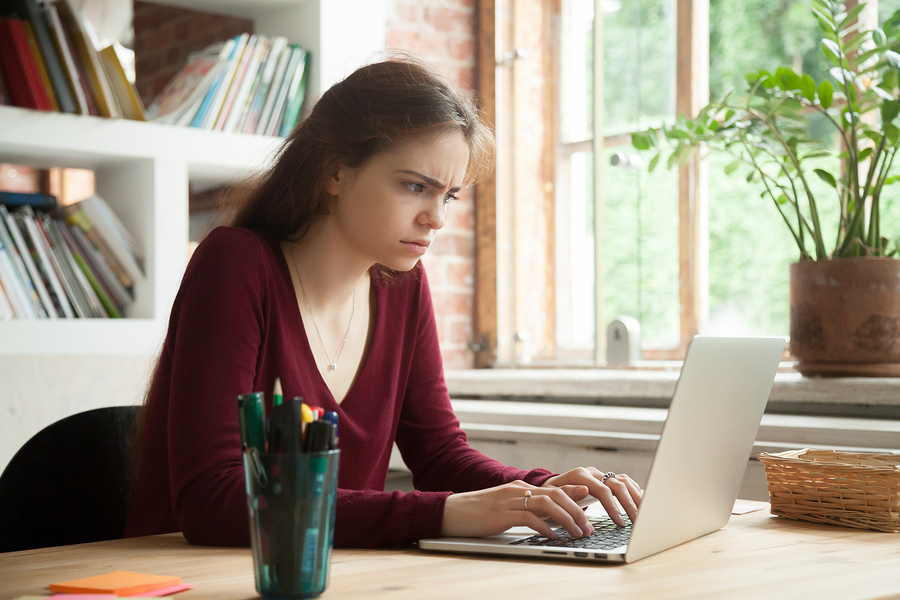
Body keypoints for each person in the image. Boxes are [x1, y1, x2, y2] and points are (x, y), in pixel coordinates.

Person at [125, 54, 643, 548]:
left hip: (338, 578)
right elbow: (212, 499)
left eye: (449, 195)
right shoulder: (236, 265)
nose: (436, 218)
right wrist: (440, 513)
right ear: (335, 171)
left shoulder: (404, 288)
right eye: (415, 186)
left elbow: (440, 455)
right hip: (191, 578)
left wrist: (545, 489)